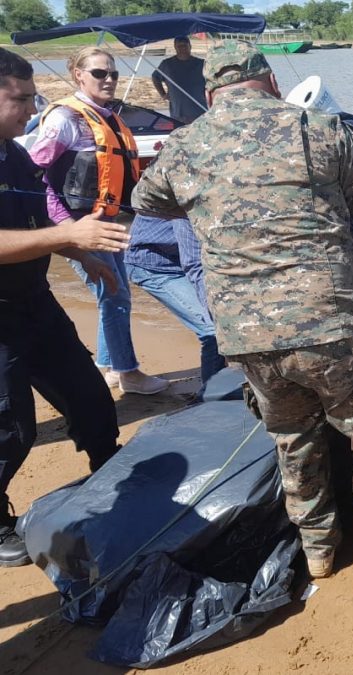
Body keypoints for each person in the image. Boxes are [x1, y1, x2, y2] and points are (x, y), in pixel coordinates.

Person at [132, 40, 353, 590]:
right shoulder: (320, 129)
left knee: (293, 440)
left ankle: (319, 550)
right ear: (271, 82)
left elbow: (145, 201)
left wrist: (215, 199)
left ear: (209, 93)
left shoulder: (185, 145)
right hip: (331, 324)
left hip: (246, 335)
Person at [0, 48, 125, 567]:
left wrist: (79, 252)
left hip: (34, 301)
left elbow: (34, 227)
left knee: (90, 396)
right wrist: (69, 232)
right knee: (10, 428)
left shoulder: (16, 155)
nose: (32, 111)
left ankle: (110, 469)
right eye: (21, 99)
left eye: (34, 98)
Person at [29, 46, 168, 395]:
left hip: (107, 223)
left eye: (113, 74)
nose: (109, 80)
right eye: (99, 73)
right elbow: (33, 174)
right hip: (80, 226)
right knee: (115, 295)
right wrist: (64, 227)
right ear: (79, 74)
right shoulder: (66, 119)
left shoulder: (106, 116)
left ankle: (107, 366)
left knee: (115, 295)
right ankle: (128, 373)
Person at [125, 214, 225, 398]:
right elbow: (194, 263)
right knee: (213, 329)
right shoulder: (189, 196)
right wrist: (214, 309)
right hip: (154, 265)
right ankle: (210, 401)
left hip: (180, 257)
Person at [151, 36, 208, 124]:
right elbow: (155, 77)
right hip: (178, 113)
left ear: (190, 46)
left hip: (200, 111)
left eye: (185, 45)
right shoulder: (167, 64)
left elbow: (213, 80)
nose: (183, 48)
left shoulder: (202, 63)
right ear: (175, 47)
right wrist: (163, 94)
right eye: (179, 46)